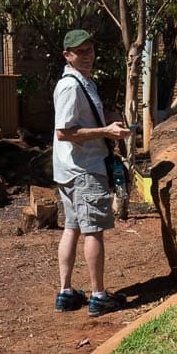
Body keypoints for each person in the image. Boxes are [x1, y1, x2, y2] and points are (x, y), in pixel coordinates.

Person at [52, 29, 131, 316]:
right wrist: (106, 132)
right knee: (93, 231)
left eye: (90, 50)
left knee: (72, 228)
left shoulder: (83, 82)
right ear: (67, 55)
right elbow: (64, 132)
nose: (87, 56)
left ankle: (66, 292)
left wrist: (109, 125)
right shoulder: (71, 86)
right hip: (84, 169)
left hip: (70, 170)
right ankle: (98, 296)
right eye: (80, 52)